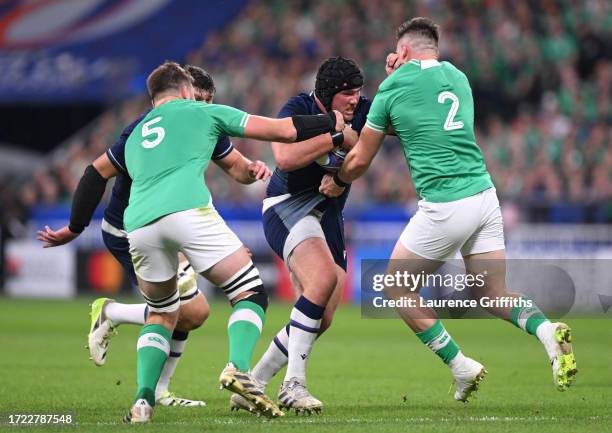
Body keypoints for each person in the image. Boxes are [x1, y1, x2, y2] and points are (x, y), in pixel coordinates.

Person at [320, 18, 577, 402]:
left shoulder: (394, 87)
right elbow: (422, 118)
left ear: (402, 51)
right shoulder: (458, 77)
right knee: (492, 292)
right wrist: (396, 78)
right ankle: (547, 331)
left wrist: (337, 181)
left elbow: (359, 161)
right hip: (485, 196)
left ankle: (461, 366)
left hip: (446, 202)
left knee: (395, 286)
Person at [108, 61, 344, 423]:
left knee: (165, 313)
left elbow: (97, 172)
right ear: (187, 91)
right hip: (183, 213)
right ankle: (238, 367)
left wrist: (75, 226)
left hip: (134, 226)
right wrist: (332, 126)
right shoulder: (203, 114)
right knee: (250, 291)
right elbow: (280, 130)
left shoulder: (136, 130)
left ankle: (143, 401)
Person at [37, 66, 273, 407]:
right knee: (184, 311)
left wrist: (253, 171)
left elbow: (234, 171)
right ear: (185, 94)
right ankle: (115, 318)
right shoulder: (145, 127)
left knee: (193, 312)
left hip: (168, 224)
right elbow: (99, 174)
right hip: (130, 229)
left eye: (209, 103)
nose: (203, 108)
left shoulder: (204, 120)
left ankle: (155, 391)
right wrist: (76, 227)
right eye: (199, 100)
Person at [230, 57, 369, 415]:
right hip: (289, 205)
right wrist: (336, 136)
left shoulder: (364, 110)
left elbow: (390, 129)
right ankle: (294, 384)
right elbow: (285, 157)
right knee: (320, 281)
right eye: (347, 94)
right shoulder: (299, 108)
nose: (355, 100)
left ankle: (255, 381)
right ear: (327, 95)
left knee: (322, 317)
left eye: (358, 93)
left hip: (329, 214)